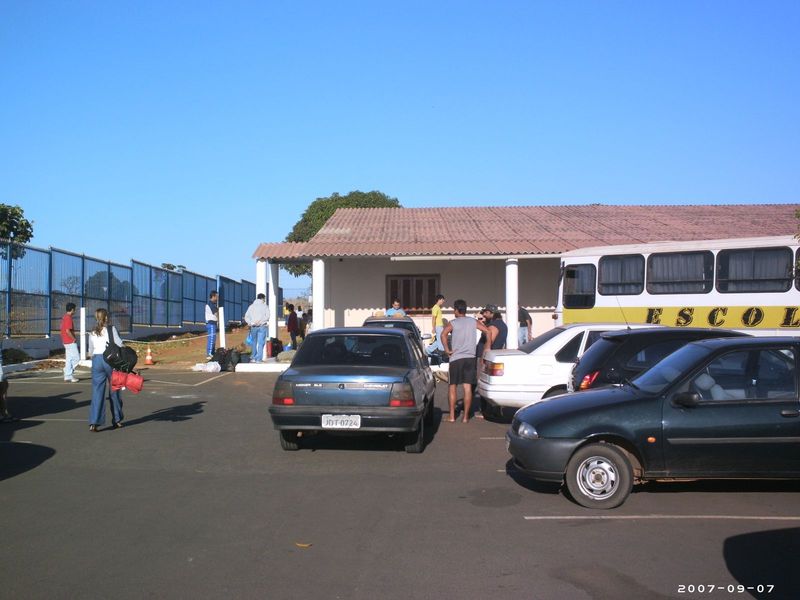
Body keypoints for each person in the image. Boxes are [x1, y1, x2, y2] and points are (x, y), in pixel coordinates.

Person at [441, 299, 491, 423]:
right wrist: (487, 347)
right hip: (470, 358)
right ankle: (465, 417)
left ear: (456, 310)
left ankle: (452, 416)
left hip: (456, 358)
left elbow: (443, 334)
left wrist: (447, 349)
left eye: (454, 310)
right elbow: (487, 331)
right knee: (467, 387)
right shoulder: (473, 321)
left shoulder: (453, 323)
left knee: (452, 386)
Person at [87, 308, 124, 432]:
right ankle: (117, 420)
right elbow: (120, 344)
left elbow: (90, 351)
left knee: (97, 392)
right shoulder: (111, 329)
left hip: (97, 360)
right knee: (115, 390)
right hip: (110, 359)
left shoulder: (92, 332)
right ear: (106, 317)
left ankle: (94, 422)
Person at [244, 293, 270, 363]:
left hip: (253, 327)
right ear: (262, 298)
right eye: (264, 299)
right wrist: (261, 321)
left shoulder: (251, 306)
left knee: (254, 342)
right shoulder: (265, 306)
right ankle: (258, 359)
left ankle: (253, 357)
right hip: (262, 326)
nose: (264, 300)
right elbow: (267, 316)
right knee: (261, 343)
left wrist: (251, 322)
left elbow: (246, 317)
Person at [61, 302, 80, 382]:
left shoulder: (64, 317)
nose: (75, 311)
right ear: (72, 309)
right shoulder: (68, 318)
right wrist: (73, 339)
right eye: (74, 309)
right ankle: (67, 371)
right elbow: (67, 330)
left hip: (65, 341)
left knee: (69, 359)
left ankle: (67, 376)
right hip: (70, 341)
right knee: (77, 358)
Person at [205, 291, 219, 359]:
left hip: (213, 323)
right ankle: (209, 354)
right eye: (216, 296)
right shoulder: (210, 304)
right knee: (211, 339)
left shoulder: (213, 304)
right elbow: (216, 313)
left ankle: (212, 352)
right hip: (211, 323)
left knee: (213, 339)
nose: (217, 298)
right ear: (213, 296)